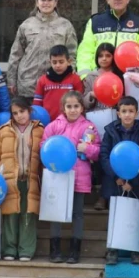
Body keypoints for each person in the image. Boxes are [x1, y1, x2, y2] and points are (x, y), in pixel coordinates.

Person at [42, 91, 100, 264]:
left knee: (78, 214)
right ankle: (55, 250)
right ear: (63, 108)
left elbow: (97, 150)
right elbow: (43, 145)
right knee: (56, 213)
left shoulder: (89, 127)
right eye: (69, 106)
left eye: (76, 106)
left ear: (82, 107)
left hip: (79, 177)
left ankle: (75, 251)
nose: (73, 110)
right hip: (58, 177)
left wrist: (87, 149)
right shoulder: (54, 126)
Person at [0, 96, 44, 261]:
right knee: (10, 215)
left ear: (30, 110)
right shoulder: (3, 131)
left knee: (28, 215)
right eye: (15, 113)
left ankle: (26, 249)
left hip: (31, 180)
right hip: (8, 180)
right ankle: (9, 249)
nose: (20, 115)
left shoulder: (39, 130)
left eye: (22, 111)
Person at [6, 0, 79, 100]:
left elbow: (72, 55)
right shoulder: (26, 25)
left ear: (56, 3)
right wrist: (11, 81)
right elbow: (15, 55)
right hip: (28, 85)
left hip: (56, 85)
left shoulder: (66, 26)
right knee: (30, 118)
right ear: (36, 2)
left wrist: (69, 79)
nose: (46, 3)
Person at [101, 96, 139, 266]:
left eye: (131, 111)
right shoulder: (110, 132)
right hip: (115, 181)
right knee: (115, 215)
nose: (127, 115)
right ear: (118, 113)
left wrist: (133, 181)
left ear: (137, 113)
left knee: (134, 216)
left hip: (137, 183)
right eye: (124, 111)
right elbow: (104, 155)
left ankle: (135, 250)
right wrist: (118, 177)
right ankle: (112, 250)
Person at [76, 0, 139, 76]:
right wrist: (85, 77)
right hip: (99, 79)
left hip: (130, 79)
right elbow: (85, 52)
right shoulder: (95, 22)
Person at [33, 45, 84, 123]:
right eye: (54, 62)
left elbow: (80, 102)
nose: (57, 65)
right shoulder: (42, 80)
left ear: (69, 62)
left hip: (70, 122)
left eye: (61, 62)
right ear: (50, 62)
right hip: (48, 122)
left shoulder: (75, 79)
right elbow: (37, 105)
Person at [82, 43, 123, 113]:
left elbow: (125, 99)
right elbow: (83, 103)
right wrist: (91, 94)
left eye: (108, 56)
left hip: (115, 116)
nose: (104, 59)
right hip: (95, 115)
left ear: (113, 57)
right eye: (100, 56)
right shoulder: (90, 77)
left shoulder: (119, 75)